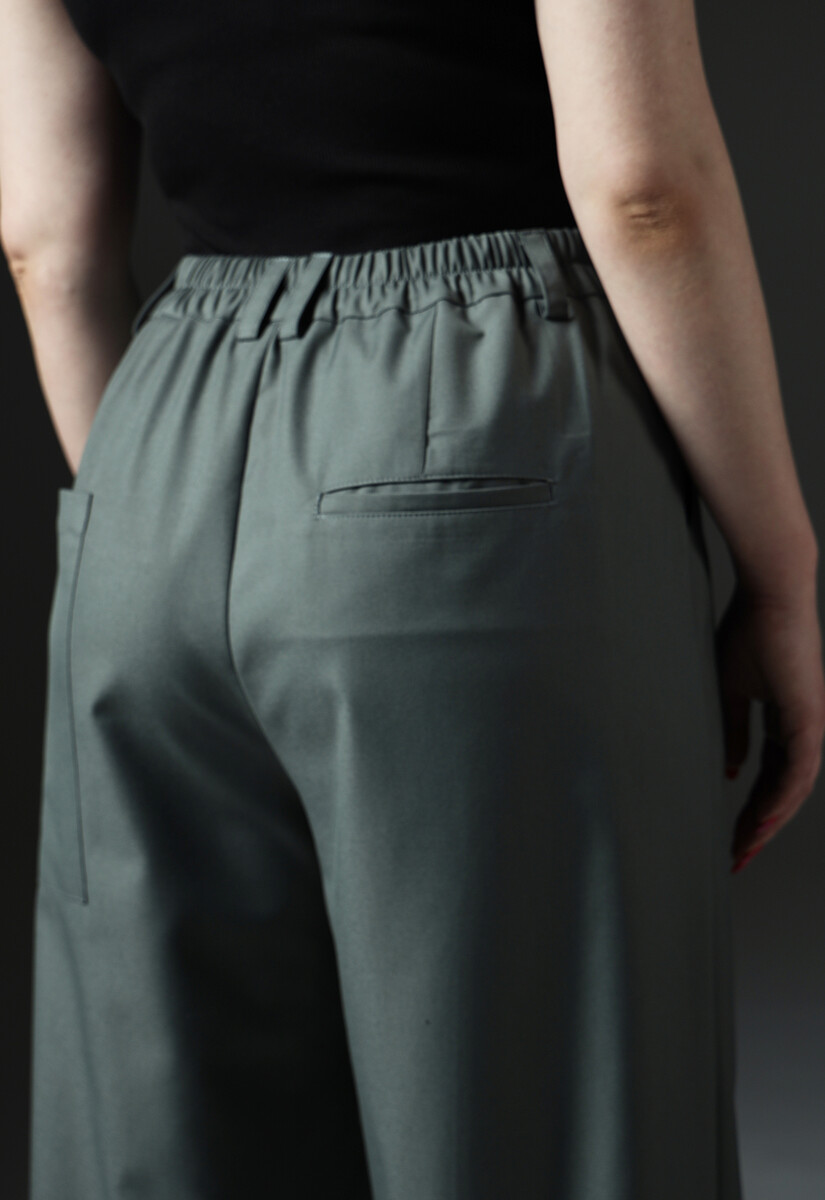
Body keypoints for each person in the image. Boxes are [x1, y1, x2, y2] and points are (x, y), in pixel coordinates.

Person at [2, 0, 822, 1196]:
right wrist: (782, 573)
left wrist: (154, 510)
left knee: (175, 1139)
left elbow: (46, 244)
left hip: (155, 445)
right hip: (478, 431)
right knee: (545, 1132)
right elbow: (643, 188)